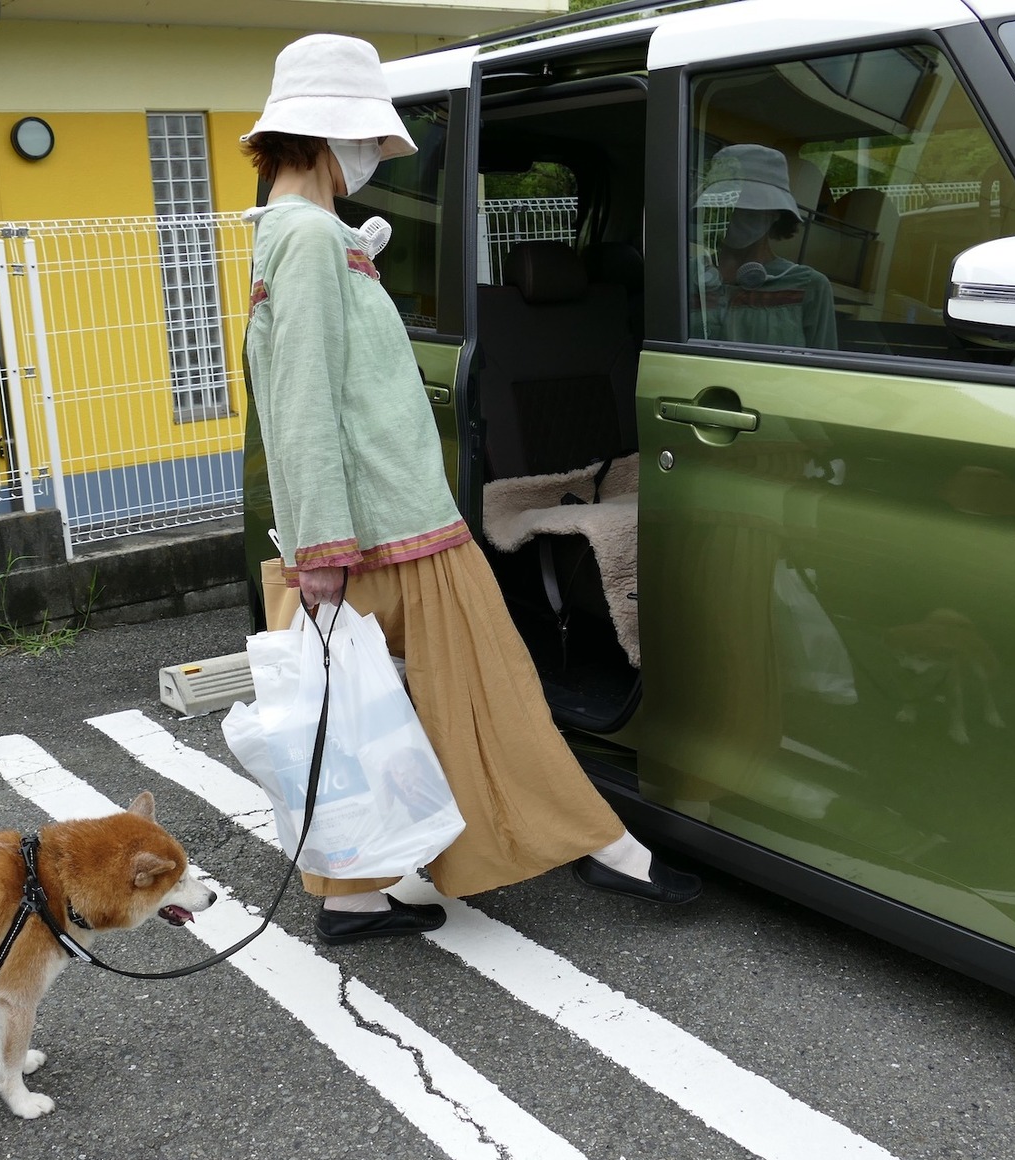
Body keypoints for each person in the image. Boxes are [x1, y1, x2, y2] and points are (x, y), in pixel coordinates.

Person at [240, 33, 701, 946]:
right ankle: (603, 846)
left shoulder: (303, 234)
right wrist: (321, 546)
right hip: (383, 524)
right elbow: (298, 401)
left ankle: (354, 894)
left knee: (363, 710)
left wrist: (317, 544)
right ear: (331, 136)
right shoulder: (301, 238)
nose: (377, 155)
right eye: (369, 138)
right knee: (485, 691)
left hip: (371, 526)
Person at [692, 143, 838, 349]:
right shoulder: (686, 275)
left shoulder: (809, 286)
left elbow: (824, 371)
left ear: (776, 212)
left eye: (750, 207)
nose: (735, 214)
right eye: (726, 205)